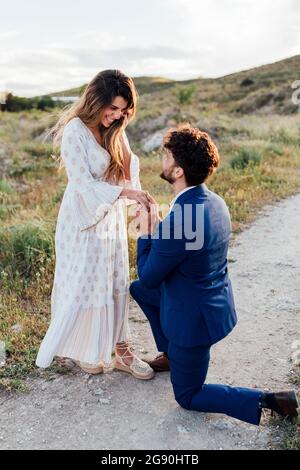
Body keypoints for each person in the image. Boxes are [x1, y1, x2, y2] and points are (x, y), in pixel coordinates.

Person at [130, 124, 299, 423]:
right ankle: (171, 354)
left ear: (179, 171)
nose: (163, 159)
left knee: (188, 396)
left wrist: (146, 230)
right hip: (210, 303)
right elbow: (174, 255)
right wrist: (160, 226)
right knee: (139, 291)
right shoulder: (213, 201)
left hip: (192, 322)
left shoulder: (181, 219)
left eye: (166, 155)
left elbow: (149, 275)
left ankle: (272, 400)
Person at [36, 69, 154, 380]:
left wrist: (122, 134)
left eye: (123, 110)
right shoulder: (75, 131)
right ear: (96, 100)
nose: (115, 115)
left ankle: (122, 351)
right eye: (112, 108)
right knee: (86, 284)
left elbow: (128, 171)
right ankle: (86, 347)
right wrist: (126, 192)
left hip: (110, 215)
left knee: (115, 281)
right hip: (84, 218)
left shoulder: (116, 128)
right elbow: (82, 185)